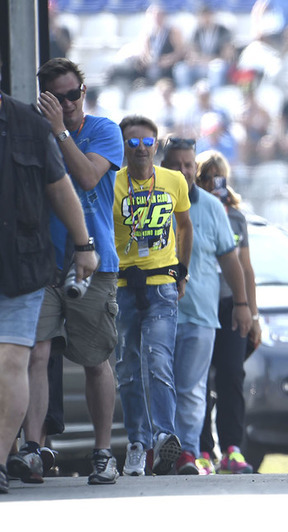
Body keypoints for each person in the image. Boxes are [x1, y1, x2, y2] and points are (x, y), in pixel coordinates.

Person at [6, 58, 124, 486]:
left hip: (95, 263)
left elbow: (89, 177)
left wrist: (58, 130)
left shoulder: (103, 130)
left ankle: (102, 452)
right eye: (59, 98)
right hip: (43, 265)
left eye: (74, 95)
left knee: (95, 360)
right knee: (35, 353)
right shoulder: (31, 134)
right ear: (45, 99)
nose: (69, 104)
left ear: (84, 93)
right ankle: (34, 449)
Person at [0, 87, 98, 494]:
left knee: (10, 360)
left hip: (21, 265)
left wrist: (84, 245)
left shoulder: (30, 126)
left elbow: (61, 188)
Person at [161, 142, 252, 475]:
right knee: (162, 384)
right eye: (177, 165)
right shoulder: (155, 199)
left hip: (208, 311)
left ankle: (199, 450)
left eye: (189, 166)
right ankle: (170, 449)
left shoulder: (223, 213)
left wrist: (246, 308)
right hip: (160, 309)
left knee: (205, 385)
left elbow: (238, 264)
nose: (184, 172)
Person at [114, 115, 193, 476]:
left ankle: (164, 436)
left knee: (158, 360)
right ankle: (137, 442)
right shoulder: (111, 183)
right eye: (133, 142)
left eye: (147, 141)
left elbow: (185, 225)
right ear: (123, 147)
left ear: (157, 145)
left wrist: (182, 271)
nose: (141, 148)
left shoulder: (174, 180)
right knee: (128, 369)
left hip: (161, 284)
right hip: (122, 286)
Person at [196, 156, 262, 475]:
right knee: (198, 379)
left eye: (218, 177)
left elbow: (246, 268)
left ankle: (232, 448)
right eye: (206, 177)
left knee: (232, 375)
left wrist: (253, 311)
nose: (212, 183)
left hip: (231, 304)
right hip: (199, 303)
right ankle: (202, 450)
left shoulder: (236, 217)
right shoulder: (190, 213)